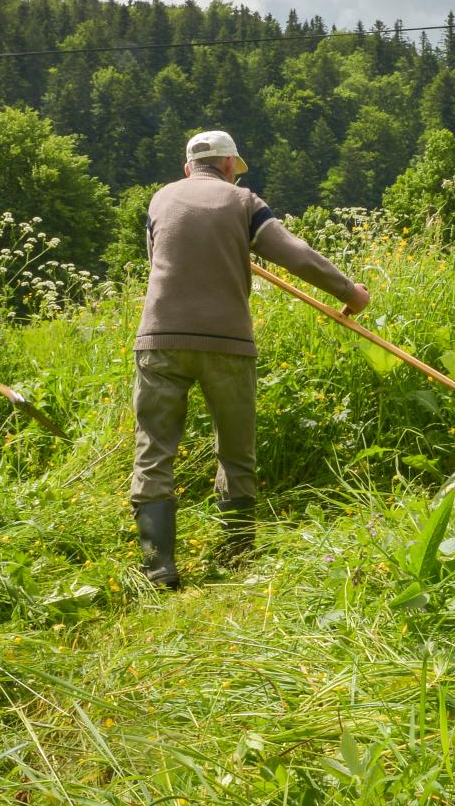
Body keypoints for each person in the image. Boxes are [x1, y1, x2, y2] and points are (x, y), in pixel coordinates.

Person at [131, 130, 371, 589]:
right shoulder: (243, 202)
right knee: (236, 452)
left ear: (188, 168)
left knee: (154, 451)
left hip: (160, 340)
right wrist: (350, 293)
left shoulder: (160, 200)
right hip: (227, 343)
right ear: (229, 166)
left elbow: (158, 259)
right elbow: (296, 255)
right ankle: (237, 556)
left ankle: (158, 568)